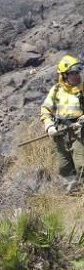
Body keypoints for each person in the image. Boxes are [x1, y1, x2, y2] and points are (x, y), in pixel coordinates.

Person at [41, 55, 84, 192]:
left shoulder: (82, 89)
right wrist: (49, 126)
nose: (77, 76)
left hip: (79, 131)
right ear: (64, 75)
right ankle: (72, 194)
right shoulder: (56, 90)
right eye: (73, 73)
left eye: (78, 72)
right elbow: (45, 109)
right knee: (64, 166)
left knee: (81, 164)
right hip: (60, 132)